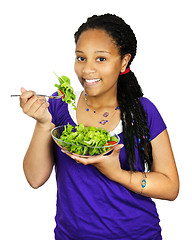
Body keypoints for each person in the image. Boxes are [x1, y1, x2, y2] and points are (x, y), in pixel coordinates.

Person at [20, 14, 179, 240]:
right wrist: (43, 123)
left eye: (101, 59)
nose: (87, 70)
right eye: (81, 58)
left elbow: (170, 187)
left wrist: (117, 173)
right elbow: (35, 179)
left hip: (138, 234)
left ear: (124, 61)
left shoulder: (143, 111)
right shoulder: (59, 104)